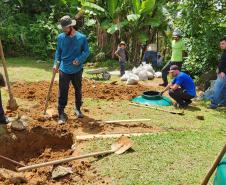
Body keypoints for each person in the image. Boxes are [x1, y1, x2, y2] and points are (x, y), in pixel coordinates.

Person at [54, 15, 90, 124]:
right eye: (63, 28)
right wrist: (55, 64)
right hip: (64, 69)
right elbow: (58, 52)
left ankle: (78, 109)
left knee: (78, 89)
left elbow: (86, 52)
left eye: (65, 28)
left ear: (71, 26)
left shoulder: (81, 38)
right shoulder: (60, 37)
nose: (64, 30)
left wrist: (79, 59)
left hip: (77, 69)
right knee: (63, 91)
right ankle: (61, 113)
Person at [208, 36, 226, 109]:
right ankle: (224, 103)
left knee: (217, 88)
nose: (221, 45)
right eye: (220, 44)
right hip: (222, 73)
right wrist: (218, 68)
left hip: (223, 74)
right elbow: (223, 62)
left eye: (223, 43)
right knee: (224, 89)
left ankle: (213, 104)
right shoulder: (224, 51)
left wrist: (223, 71)